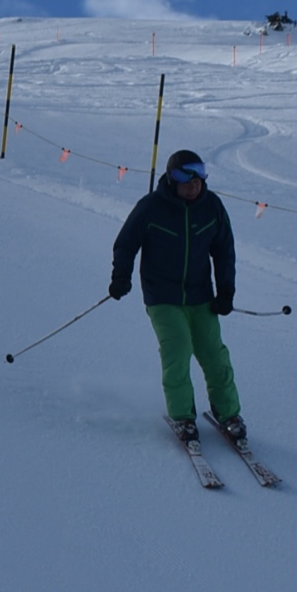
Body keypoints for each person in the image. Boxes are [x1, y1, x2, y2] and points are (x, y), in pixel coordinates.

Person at [108, 149, 246, 443]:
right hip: (163, 296)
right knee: (178, 351)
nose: (193, 185)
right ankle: (183, 416)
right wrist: (121, 276)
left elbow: (224, 251)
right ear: (172, 179)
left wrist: (226, 291)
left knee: (214, 354)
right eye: (186, 179)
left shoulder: (211, 206)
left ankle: (229, 414)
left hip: (201, 296)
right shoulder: (151, 207)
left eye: (198, 178)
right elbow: (126, 243)